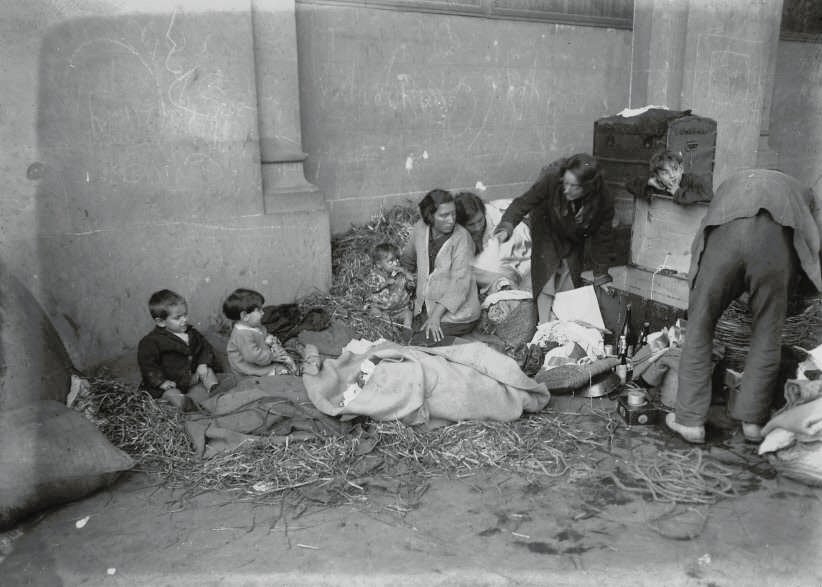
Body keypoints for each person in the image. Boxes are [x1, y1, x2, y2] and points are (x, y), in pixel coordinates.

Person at [666, 169, 822, 444]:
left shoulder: (732, 182)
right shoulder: (804, 195)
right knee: (767, 334)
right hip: (773, 246)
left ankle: (690, 420)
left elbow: (702, 239)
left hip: (724, 239)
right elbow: (811, 250)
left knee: (700, 327)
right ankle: (752, 421)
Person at [492, 153, 616, 323]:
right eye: (565, 183)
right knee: (546, 277)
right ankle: (543, 326)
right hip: (546, 225)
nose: (567, 190)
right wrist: (507, 226)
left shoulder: (603, 200)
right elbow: (523, 203)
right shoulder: (552, 180)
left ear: (588, 187)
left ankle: (563, 328)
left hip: (573, 234)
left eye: (574, 186)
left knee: (570, 279)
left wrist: (601, 275)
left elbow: (602, 240)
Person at [400, 188, 481, 343]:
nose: (451, 219)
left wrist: (435, 317)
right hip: (428, 305)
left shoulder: (462, 238)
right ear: (430, 216)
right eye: (444, 215)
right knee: (407, 336)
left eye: (453, 214)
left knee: (421, 341)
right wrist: (404, 278)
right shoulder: (420, 229)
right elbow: (408, 259)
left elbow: (460, 284)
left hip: (457, 313)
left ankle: (467, 346)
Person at [137, 289, 220, 412]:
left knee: (207, 371)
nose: (184, 320)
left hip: (189, 377)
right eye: (178, 318)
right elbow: (148, 365)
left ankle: (215, 391)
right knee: (172, 395)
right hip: (170, 383)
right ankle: (185, 404)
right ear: (161, 322)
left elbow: (205, 347)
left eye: (185, 315)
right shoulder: (151, 342)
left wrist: (202, 364)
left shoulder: (191, 333)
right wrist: (161, 382)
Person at [223, 288, 320, 377]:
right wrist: (273, 357)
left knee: (291, 352)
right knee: (281, 370)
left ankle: (304, 364)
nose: (263, 313)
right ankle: (302, 370)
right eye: (259, 310)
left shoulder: (252, 324)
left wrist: (269, 338)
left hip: (263, 355)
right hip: (250, 366)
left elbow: (262, 332)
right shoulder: (242, 335)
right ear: (245, 316)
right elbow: (253, 356)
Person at [454, 191, 532, 293]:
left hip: (522, 256)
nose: (478, 227)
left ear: (484, 213)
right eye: (471, 224)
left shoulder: (500, 226)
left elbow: (512, 267)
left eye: (480, 220)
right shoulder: (455, 230)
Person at [627, 149, 713, 204]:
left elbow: (709, 195)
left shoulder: (691, 180)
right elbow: (629, 185)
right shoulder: (658, 186)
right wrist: (650, 182)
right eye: (665, 173)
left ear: (681, 169)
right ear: (658, 176)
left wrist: (678, 193)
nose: (672, 176)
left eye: (675, 169)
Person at [365, 242, 415, 329]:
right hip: (382, 308)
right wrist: (385, 283)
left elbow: (411, 283)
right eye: (390, 261)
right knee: (377, 313)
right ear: (379, 264)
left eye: (396, 260)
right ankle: (392, 330)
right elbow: (370, 288)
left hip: (399, 308)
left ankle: (407, 329)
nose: (395, 264)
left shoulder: (399, 273)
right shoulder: (375, 275)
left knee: (408, 313)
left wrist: (406, 273)